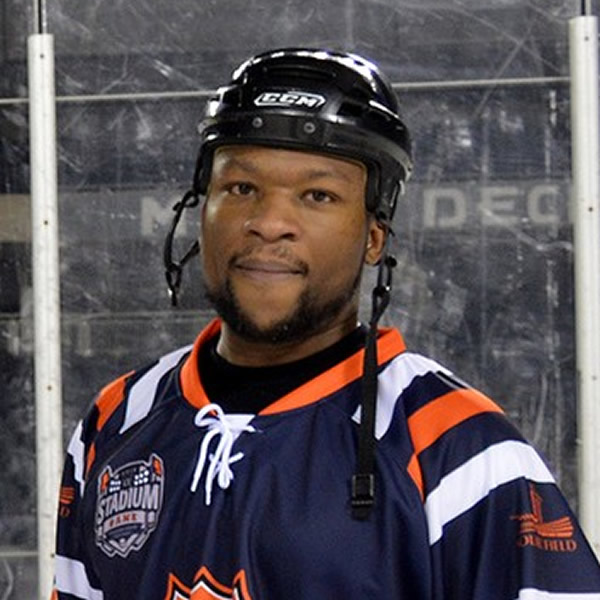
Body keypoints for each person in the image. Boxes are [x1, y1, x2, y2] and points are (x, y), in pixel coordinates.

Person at [52, 48, 600, 599]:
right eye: (241, 188)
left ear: (373, 236)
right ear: (201, 206)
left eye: (318, 195)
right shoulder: (116, 423)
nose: (268, 223)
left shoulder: (460, 448)